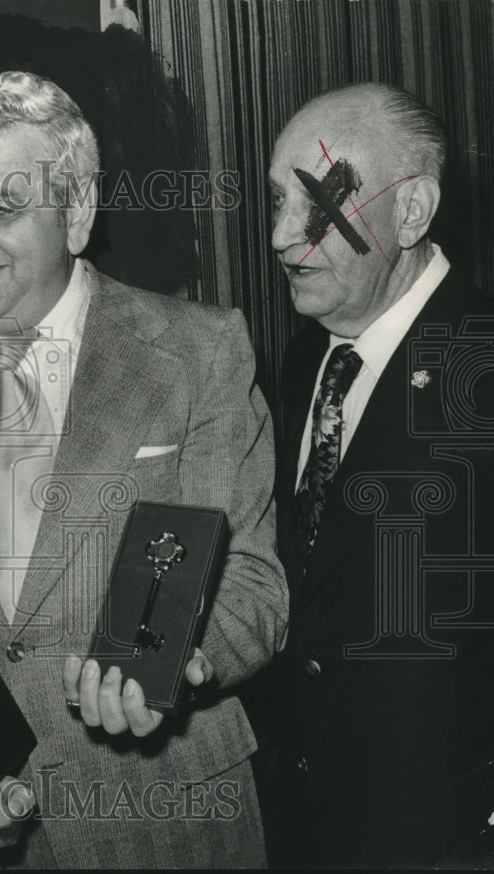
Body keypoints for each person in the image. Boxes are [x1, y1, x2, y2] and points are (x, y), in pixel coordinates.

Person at [0, 70, 288, 868]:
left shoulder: (197, 352)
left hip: (162, 818)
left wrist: (174, 660)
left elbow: (251, 586)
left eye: (1, 206)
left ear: (77, 211)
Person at [258, 82, 494, 867]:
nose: (284, 237)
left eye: (320, 205)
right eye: (276, 203)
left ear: (414, 211)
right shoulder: (304, 362)